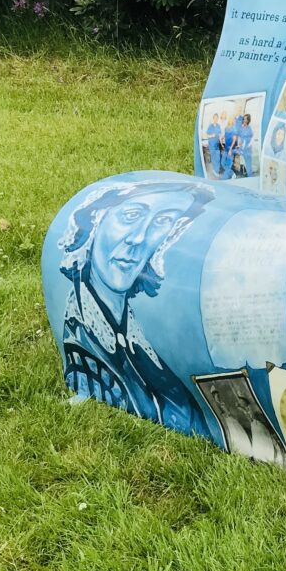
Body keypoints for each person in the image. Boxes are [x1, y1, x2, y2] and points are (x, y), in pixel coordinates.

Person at [57, 180, 214, 437]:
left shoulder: (136, 339)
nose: (139, 238)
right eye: (131, 215)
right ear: (95, 221)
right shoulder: (84, 341)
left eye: (163, 221)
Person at [236, 113, 254, 177]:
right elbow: (239, 137)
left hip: (247, 149)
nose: (244, 120)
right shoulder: (241, 128)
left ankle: (250, 176)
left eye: (245, 119)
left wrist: (247, 146)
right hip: (241, 149)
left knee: (249, 166)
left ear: (248, 120)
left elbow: (252, 140)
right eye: (243, 119)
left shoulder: (249, 129)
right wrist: (239, 144)